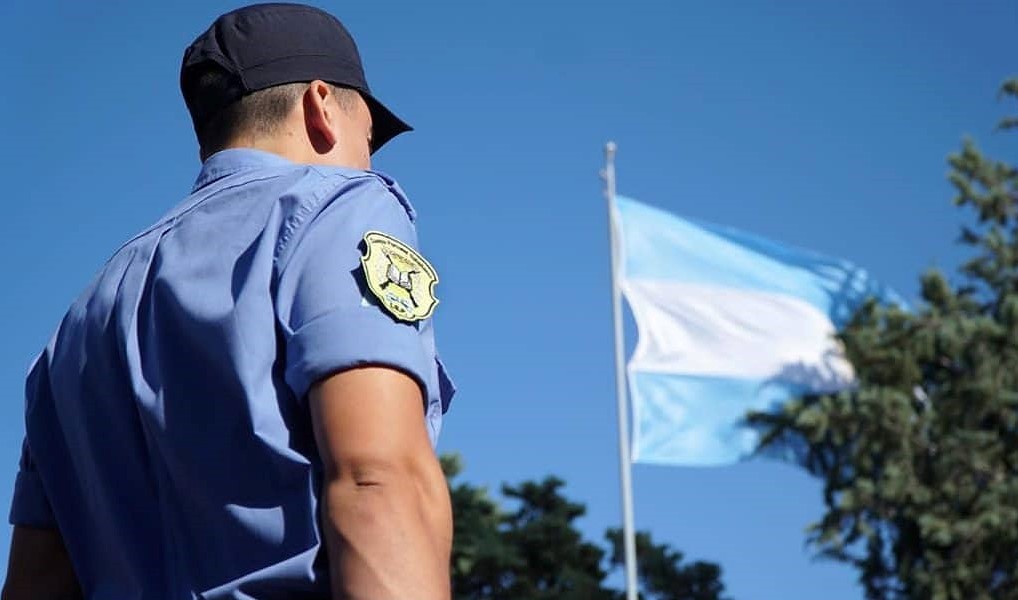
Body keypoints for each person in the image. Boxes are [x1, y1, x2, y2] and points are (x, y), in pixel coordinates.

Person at [2, 4, 455, 599]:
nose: (368, 161)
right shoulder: (335, 208)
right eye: (369, 137)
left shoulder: (78, 323)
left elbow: (33, 583)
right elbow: (377, 478)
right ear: (321, 106)